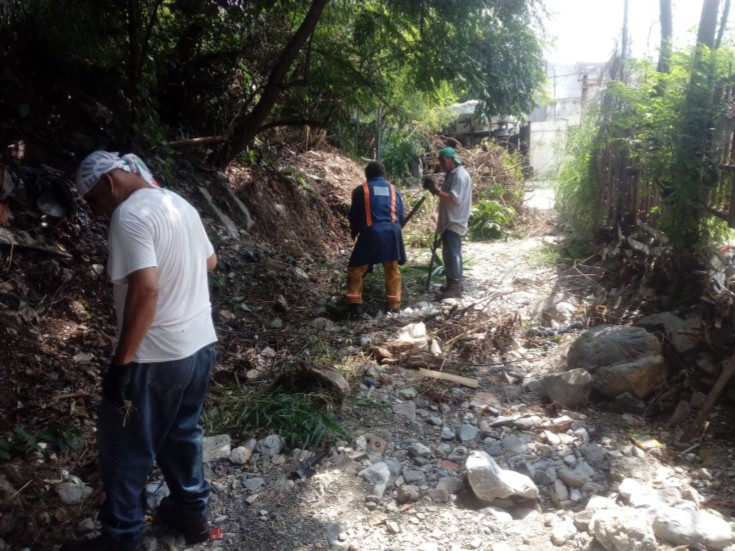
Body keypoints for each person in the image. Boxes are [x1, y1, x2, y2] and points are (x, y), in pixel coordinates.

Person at [61, 151, 217, 551]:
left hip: (156, 358)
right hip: (200, 346)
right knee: (181, 434)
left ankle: (122, 537)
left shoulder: (129, 215)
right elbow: (210, 261)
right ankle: (192, 515)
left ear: (110, 182)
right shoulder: (179, 204)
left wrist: (120, 365)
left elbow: (146, 288)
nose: (98, 209)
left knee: (125, 447)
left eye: (95, 199)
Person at [344, 160, 406, 316]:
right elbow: (400, 215)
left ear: (367, 175)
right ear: (383, 175)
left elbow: (354, 215)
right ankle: (394, 306)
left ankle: (354, 306)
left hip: (372, 233)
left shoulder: (361, 190)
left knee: (356, 269)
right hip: (393, 233)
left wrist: (354, 231)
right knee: (392, 269)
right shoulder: (394, 190)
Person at [422, 147, 472, 299]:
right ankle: (453, 283)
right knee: (451, 252)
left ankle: (455, 286)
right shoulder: (453, 174)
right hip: (450, 219)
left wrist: (435, 190)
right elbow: (447, 197)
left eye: (443, 161)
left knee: (452, 253)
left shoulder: (459, 176)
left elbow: (453, 198)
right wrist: (434, 190)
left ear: (451, 160)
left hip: (454, 220)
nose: (441, 164)